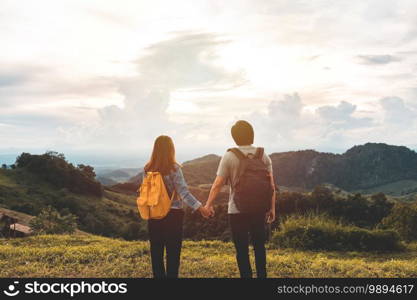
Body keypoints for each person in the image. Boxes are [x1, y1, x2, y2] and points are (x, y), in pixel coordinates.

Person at [204, 120, 276, 278]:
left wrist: (208, 205)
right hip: (259, 208)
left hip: (237, 210)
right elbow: (271, 186)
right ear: (252, 134)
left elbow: (217, 185)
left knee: (241, 250)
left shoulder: (229, 156)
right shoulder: (263, 155)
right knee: (259, 247)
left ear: (234, 137)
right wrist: (272, 209)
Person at [140, 135, 211, 278]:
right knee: (173, 253)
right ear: (171, 149)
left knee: (156, 252)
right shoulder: (174, 168)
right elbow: (183, 193)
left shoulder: (148, 168)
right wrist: (201, 208)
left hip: (154, 214)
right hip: (173, 215)